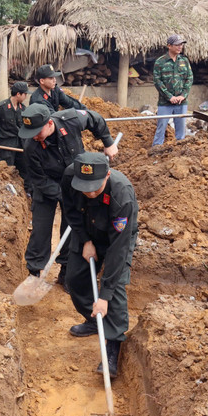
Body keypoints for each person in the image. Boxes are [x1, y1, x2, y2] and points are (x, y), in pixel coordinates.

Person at [20, 103, 117, 286]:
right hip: (46, 185)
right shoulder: (30, 146)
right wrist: (62, 194)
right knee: (40, 228)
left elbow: (94, 118)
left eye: (37, 132)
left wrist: (108, 142)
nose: (33, 136)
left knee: (72, 227)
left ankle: (66, 271)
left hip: (75, 181)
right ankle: (34, 272)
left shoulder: (71, 120)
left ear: (49, 124)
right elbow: (39, 180)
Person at [62, 152, 138, 378]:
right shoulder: (69, 177)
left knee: (115, 289)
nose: (90, 192)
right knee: (74, 280)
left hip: (116, 236)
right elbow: (70, 211)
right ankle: (94, 320)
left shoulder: (121, 194)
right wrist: (85, 240)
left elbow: (118, 250)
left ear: (107, 175)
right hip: (86, 228)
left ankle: (113, 343)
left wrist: (104, 296)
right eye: (85, 188)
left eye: (95, 187)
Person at [152, 34, 193, 146]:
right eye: (177, 45)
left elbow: (189, 78)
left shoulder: (184, 61)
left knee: (181, 129)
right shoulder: (160, 62)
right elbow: (157, 81)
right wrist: (169, 97)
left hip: (181, 102)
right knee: (161, 127)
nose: (180, 47)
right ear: (169, 46)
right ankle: (156, 149)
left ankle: (180, 150)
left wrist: (183, 95)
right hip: (165, 103)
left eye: (181, 44)